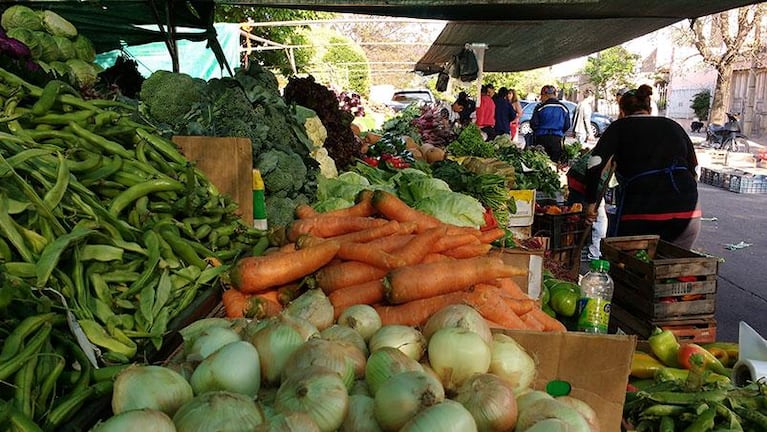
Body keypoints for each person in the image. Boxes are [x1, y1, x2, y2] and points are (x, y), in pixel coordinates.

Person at [584, 84, 701, 249]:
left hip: (642, 211)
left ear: (622, 111)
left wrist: (590, 202)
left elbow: (594, 164)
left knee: (630, 264)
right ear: (649, 108)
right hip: (688, 212)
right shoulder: (672, 125)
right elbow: (695, 169)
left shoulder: (619, 127)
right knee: (673, 264)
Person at [530, 85, 571, 162]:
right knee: (555, 163)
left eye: (541, 95)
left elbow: (533, 124)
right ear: (554, 94)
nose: (541, 98)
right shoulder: (564, 108)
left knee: (541, 162)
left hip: (541, 138)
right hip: (557, 139)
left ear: (546, 95)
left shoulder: (539, 108)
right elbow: (567, 125)